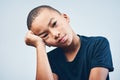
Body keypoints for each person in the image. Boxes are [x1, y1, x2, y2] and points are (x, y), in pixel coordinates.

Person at [25, 5, 114, 80]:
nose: (55, 34)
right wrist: (39, 45)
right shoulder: (49, 60)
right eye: (45, 35)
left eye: (54, 24)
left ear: (65, 18)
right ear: (45, 42)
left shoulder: (98, 45)